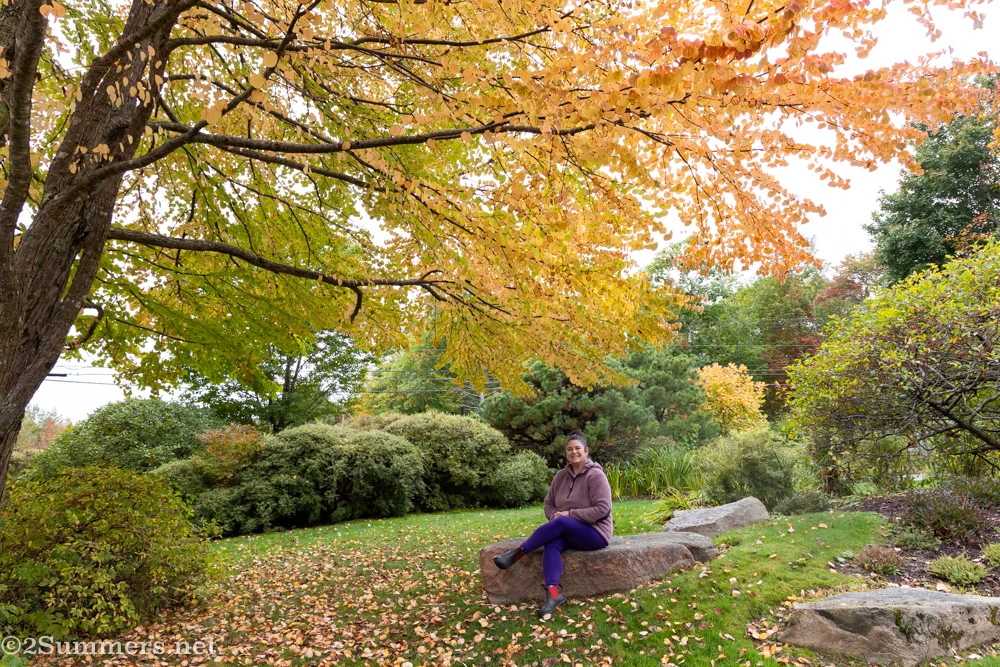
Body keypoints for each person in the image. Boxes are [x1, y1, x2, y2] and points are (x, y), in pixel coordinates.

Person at [493, 433, 613, 618]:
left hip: (595, 533)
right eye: (570, 449)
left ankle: (519, 552)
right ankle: (553, 595)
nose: (574, 452)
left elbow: (602, 510)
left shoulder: (595, 475)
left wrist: (568, 515)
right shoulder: (560, 477)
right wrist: (554, 516)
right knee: (552, 544)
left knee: (562, 522)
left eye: (578, 448)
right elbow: (548, 504)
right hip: (567, 531)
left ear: (586, 451)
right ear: (566, 453)